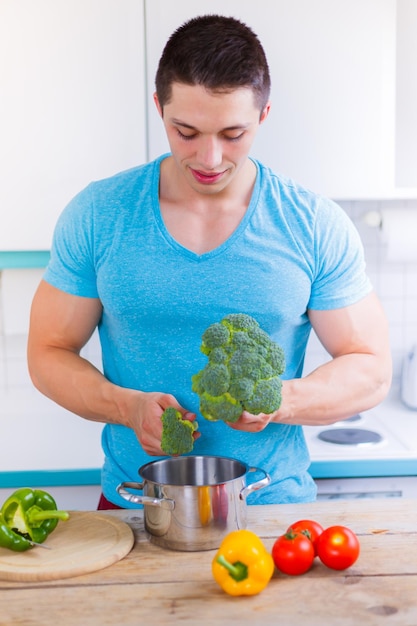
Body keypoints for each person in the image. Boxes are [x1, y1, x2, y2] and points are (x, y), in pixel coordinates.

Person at [27, 14, 392, 508]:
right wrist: (128, 407)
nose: (210, 158)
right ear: (159, 109)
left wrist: (279, 400)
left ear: (263, 116)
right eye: (187, 131)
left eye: (233, 134)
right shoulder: (99, 214)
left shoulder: (312, 223)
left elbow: (370, 367)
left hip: (270, 506)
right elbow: (48, 352)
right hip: (138, 504)